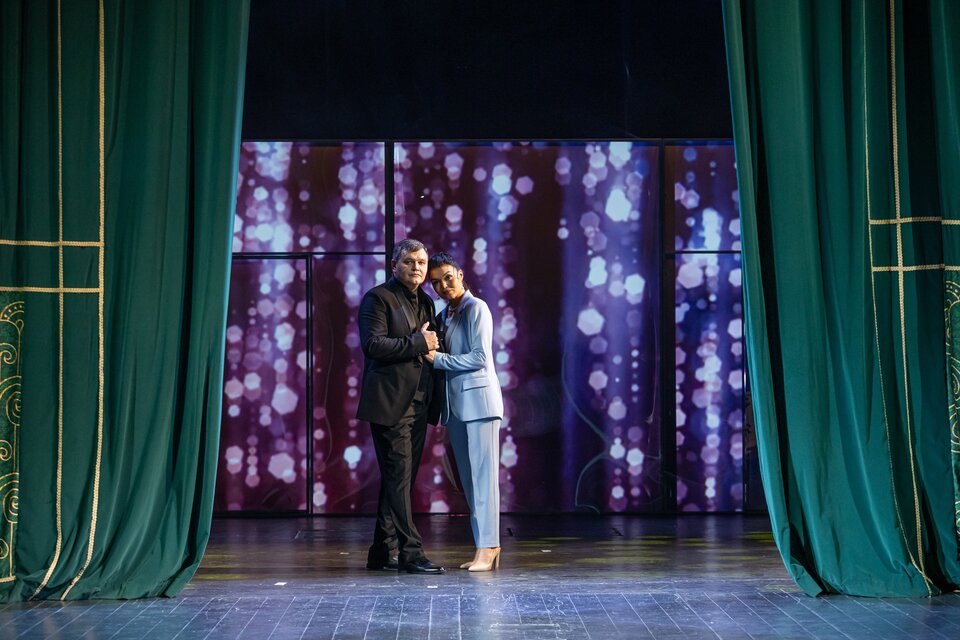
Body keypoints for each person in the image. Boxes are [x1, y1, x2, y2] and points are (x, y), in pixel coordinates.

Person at [356, 238, 445, 574]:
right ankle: (411, 553)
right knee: (398, 478)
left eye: (421, 262)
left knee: (399, 479)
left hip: (419, 402)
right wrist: (418, 341)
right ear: (394, 265)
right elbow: (373, 344)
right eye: (409, 262)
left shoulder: (427, 301)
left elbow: (432, 347)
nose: (417, 268)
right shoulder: (378, 298)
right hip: (391, 403)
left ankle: (382, 551)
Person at [426, 252, 504, 572]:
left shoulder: (477, 308)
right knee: (471, 483)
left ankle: (488, 546)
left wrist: (438, 360)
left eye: (447, 277)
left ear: (459, 274)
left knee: (484, 480)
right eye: (436, 283)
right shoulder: (445, 313)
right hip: (456, 407)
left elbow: (479, 358)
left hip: (480, 404)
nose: (443, 286)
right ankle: (484, 546)